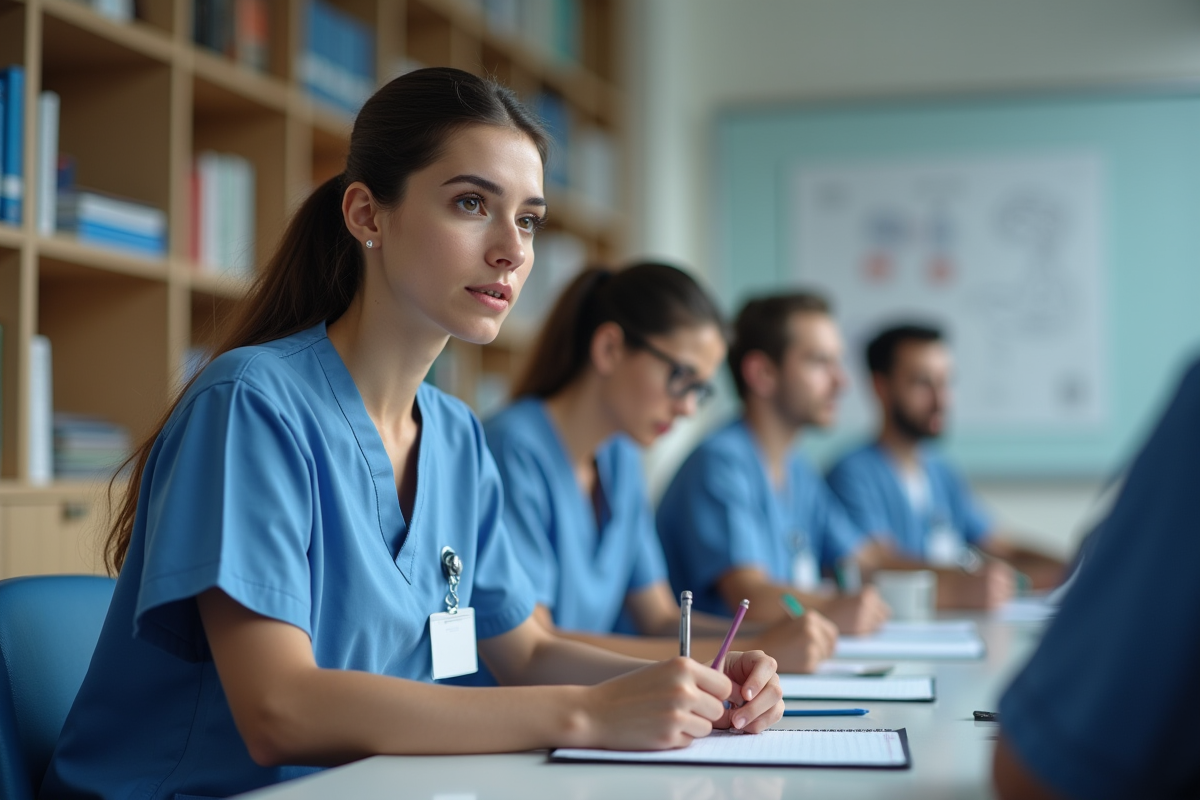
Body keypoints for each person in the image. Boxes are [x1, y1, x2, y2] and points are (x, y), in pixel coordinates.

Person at [40, 69, 783, 800]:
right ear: (367, 215)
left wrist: (700, 683)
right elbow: (279, 710)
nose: (512, 250)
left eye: (527, 219)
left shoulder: (456, 437)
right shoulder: (251, 404)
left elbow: (524, 651)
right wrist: (589, 713)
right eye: (471, 203)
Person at [483, 265, 838, 673]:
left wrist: (759, 644)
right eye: (681, 378)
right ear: (610, 349)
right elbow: (536, 643)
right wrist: (754, 646)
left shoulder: (620, 458)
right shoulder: (513, 450)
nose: (688, 408)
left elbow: (659, 619)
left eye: (699, 391)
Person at [992, 358, 1200, 799]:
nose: (942, 397)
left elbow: (1030, 776)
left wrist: (1065, 566)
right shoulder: (860, 474)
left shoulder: (936, 476)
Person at [656, 293, 890, 634]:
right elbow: (748, 597)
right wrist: (833, 607)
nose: (841, 382)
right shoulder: (721, 463)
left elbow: (863, 559)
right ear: (762, 373)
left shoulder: (799, 469)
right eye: (819, 362)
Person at [826, 324, 1064, 609]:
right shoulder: (852, 475)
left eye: (946, 382)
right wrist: (964, 581)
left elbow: (1001, 546)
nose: (941, 400)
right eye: (922, 383)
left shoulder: (941, 473)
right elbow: (876, 563)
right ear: (881, 386)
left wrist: (1074, 566)